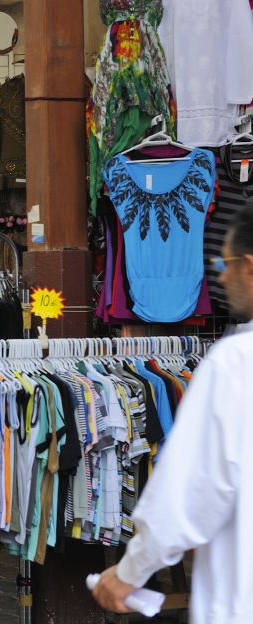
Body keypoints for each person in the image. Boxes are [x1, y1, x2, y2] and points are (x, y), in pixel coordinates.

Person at [91, 206, 253, 623]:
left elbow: (189, 489)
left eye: (224, 263)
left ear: (250, 268)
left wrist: (129, 573)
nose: (219, 276)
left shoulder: (234, 363)